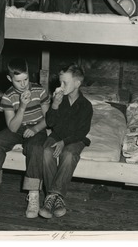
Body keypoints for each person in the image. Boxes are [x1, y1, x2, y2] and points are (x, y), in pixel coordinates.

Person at [0, 58, 50, 218]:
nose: (23, 84)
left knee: (36, 148)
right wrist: (22, 106)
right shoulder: (8, 96)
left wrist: (35, 128)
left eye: (26, 79)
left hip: (37, 127)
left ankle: (33, 195)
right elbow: (12, 127)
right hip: (16, 128)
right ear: (10, 79)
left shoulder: (40, 91)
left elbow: (49, 118)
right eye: (18, 81)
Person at [39, 64, 93, 219]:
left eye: (65, 83)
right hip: (57, 135)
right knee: (47, 151)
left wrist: (64, 142)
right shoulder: (59, 100)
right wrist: (54, 104)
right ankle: (56, 199)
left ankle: (52, 195)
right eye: (60, 82)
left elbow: (82, 132)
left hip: (76, 139)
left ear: (77, 83)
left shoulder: (86, 106)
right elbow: (50, 123)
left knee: (68, 155)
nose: (60, 86)